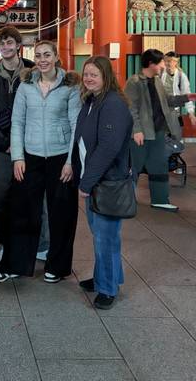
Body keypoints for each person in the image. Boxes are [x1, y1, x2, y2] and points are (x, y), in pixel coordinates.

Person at [0, 40, 81, 284]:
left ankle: (58, 266)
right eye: (38, 55)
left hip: (61, 157)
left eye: (47, 55)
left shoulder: (70, 86)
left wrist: (71, 161)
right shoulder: (26, 85)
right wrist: (18, 157)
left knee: (62, 212)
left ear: (56, 57)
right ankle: (15, 264)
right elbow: (17, 123)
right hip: (30, 156)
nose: (42, 60)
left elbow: (75, 127)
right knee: (20, 211)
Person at [0, 26, 49, 267]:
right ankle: (3, 243)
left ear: (18, 45)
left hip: (32, 147)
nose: (6, 47)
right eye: (2, 44)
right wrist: (2, 143)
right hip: (1, 149)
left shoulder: (34, 72)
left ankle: (41, 245)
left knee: (35, 195)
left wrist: (23, 142)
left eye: (10, 42)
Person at [73, 56, 133, 310]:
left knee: (105, 238)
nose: (88, 78)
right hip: (97, 179)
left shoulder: (113, 104)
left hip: (107, 182)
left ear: (106, 76)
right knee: (102, 235)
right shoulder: (93, 101)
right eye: (86, 74)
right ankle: (105, 278)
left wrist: (86, 183)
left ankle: (107, 289)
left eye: (94, 74)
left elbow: (108, 148)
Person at [125, 48, 196, 212]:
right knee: (133, 167)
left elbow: (168, 100)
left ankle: (160, 200)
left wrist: (189, 97)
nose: (164, 65)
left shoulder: (157, 81)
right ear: (151, 64)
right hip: (141, 134)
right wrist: (136, 130)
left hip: (158, 132)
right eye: (161, 62)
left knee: (159, 167)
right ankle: (125, 200)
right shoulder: (134, 82)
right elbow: (130, 108)